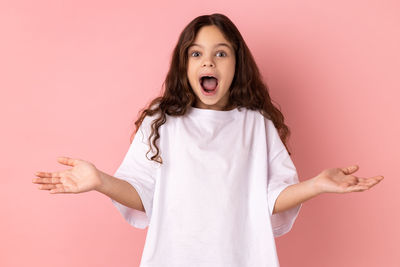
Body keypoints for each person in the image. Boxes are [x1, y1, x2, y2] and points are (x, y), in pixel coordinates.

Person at [32, 13, 384, 267]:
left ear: (236, 64)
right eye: (196, 53)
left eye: (221, 52)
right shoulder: (162, 122)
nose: (208, 61)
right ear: (184, 65)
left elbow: (271, 197)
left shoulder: (255, 124)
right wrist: (100, 182)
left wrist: (316, 185)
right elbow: (145, 194)